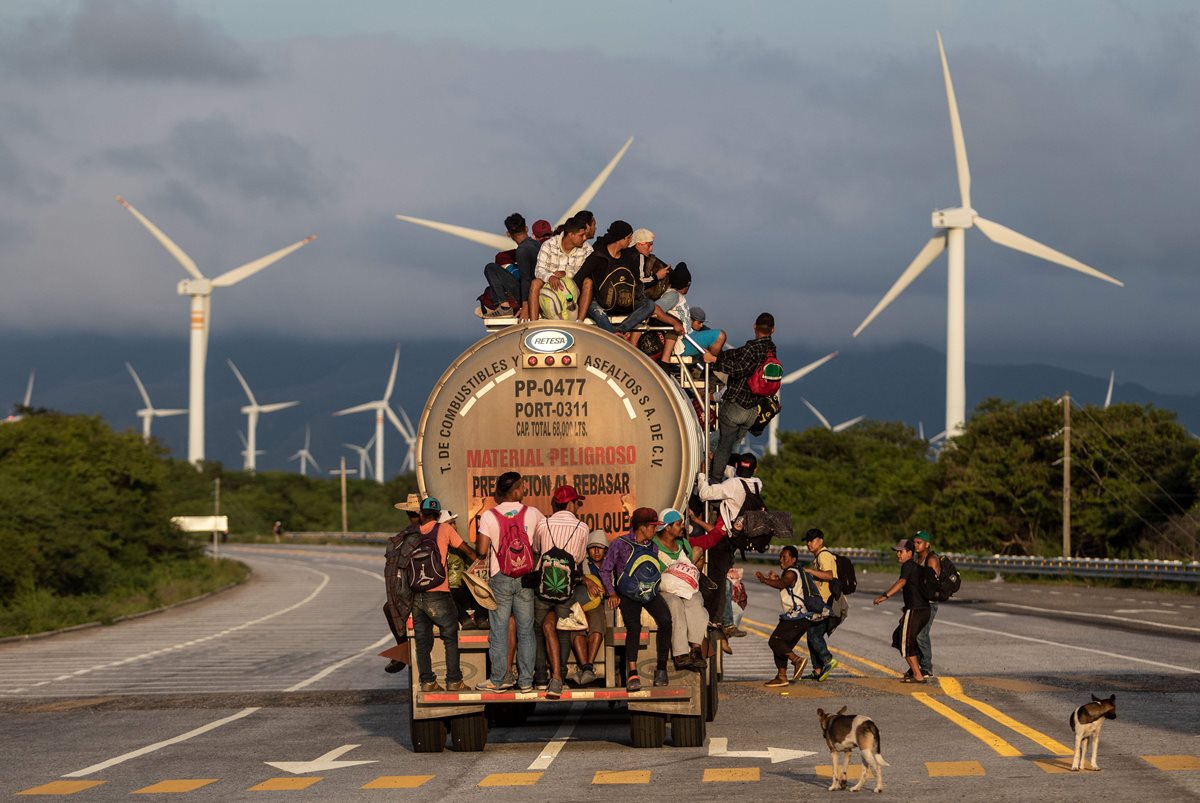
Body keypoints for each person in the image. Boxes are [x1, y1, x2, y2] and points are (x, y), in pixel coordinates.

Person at [475, 472, 548, 692]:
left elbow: (481, 550)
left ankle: (499, 679)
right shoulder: (533, 514)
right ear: (515, 491)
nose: (524, 490)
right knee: (526, 630)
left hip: (501, 578)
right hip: (526, 577)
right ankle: (526, 681)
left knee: (499, 630)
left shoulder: (489, 516)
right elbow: (542, 543)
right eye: (523, 486)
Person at [599, 507, 674, 691]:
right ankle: (632, 672)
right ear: (642, 527)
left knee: (665, 620)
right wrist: (612, 593)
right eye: (652, 527)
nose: (655, 530)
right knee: (634, 626)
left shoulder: (652, 546)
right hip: (627, 594)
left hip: (648, 592)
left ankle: (661, 669)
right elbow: (605, 569)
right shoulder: (620, 544)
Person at [409, 497, 478, 692]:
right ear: (438, 515)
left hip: (417, 594)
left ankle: (427, 682)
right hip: (439, 592)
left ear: (421, 514)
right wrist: (480, 562)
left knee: (422, 641)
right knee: (449, 635)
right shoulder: (444, 529)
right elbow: (466, 550)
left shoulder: (411, 534)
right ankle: (454, 680)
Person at [701, 312, 777, 482]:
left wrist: (713, 359)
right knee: (734, 445)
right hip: (754, 411)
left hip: (737, 406)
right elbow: (738, 355)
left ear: (754, 327)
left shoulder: (752, 349)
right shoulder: (771, 350)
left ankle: (715, 480)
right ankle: (731, 478)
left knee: (722, 446)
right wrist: (722, 356)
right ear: (773, 330)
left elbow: (739, 369)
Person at [695, 452, 763, 629]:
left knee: (716, 579)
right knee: (722, 577)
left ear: (738, 467)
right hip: (738, 539)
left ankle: (714, 618)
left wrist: (702, 474)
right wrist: (720, 464)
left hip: (724, 539)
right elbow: (736, 476)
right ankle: (723, 619)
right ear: (755, 469)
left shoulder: (732, 484)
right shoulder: (757, 484)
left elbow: (704, 494)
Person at [534, 485, 590, 698]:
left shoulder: (543, 523)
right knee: (563, 628)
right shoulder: (582, 528)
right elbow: (579, 557)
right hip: (567, 586)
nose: (577, 506)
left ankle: (541, 676)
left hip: (543, 584)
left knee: (539, 629)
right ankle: (561, 675)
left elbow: (538, 550)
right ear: (570, 503)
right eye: (577, 502)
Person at [575, 220, 657, 333]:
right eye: (629, 238)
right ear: (621, 238)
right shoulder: (598, 256)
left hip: (622, 301)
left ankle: (620, 330)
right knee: (599, 314)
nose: (630, 241)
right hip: (600, 302)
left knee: (649, 305)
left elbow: (636, 281)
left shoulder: (628, 257)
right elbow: (578, 279)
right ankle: (615, 335)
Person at [653, 508, 708, 671]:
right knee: (675, 604)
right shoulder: (653, 546)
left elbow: (689, 566)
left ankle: (696, 649)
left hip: (683, 587)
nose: (682, 527)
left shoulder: (682, 544)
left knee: (696, 600)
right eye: (679, 524)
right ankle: (680, 653)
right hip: (664, 589)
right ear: (667, 527)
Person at [873, 538, 931, 683]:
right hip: (922, 610)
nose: (898, 554)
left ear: (910, 553)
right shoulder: (916, 566)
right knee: (899, 637)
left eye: (901, 551)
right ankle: (916, 670)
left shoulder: (908, 565)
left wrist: (884, 596)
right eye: (897, 552)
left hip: (916, 610)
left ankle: (918, 675)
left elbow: (902, 582)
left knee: (905, 642)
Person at [754, 545, 812, 687]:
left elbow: (783, 583)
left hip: (797, 616)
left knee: (775, 641)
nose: (781, 560)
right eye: (780, 556)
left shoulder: (791, 572)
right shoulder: (793, 572)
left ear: (793, 559)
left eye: (784, 557)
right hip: (800, 618)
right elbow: (785, 584)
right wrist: (776, 579)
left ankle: (797, 660)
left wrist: (764, 580)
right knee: (781, 646)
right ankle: (781, 676)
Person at [382, 493, 422, 674]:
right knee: (389, 607)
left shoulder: (409, 537)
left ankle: (403, 646)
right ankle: (403, 647)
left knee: (390, 608)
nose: (413, 517)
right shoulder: (428, 531)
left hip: (422, 590)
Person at [529, 216, 591, 321]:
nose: (585, 238)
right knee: (535, 283)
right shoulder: (548, 245)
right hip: (549, 287)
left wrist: (566, 274)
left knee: (588, 282)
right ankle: (533, 325)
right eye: (582, 235)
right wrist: (550, 277)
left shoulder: (587, 249)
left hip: (573, 288)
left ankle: (579, 322)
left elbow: (586, 272)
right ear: (571, 235)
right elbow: (539, 270)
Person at [798, 528, 839, 680]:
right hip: (821, 603)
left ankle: (828, 660)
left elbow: (829, 575)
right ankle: (817, 670)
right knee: (812, 634)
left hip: (826, 603)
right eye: (807, 541)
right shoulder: (818, 557)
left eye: (813, 540)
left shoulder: (824, 555)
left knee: (814, 634)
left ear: (820, 541)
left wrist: (810, 571)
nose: (809, 544)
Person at [570, 530, 609, 686]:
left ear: (606, 549)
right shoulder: (582, 564)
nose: (597, 551)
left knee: (598, 625)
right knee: (577, 627)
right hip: (579, 604)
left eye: (600, 547)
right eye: (593, 547)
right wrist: (585, 580)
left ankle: (587, 667)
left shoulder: (609, 564)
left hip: (598, 605)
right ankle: (586, 668)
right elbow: (573, 577)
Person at [911, 531, 941, 680]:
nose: (916, 545)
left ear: (927, 544)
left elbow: (931, 585)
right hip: (919, 603)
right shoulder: (918, 558)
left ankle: (927, 668)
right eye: (915, 542)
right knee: (914, 634)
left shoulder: (931, 560)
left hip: (929, 603)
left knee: (921, 635)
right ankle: (918, 666)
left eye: (919, 542)